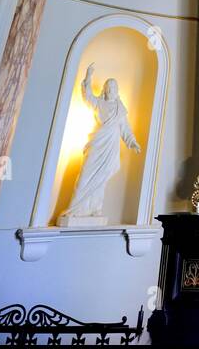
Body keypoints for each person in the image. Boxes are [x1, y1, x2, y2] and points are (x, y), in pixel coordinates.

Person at [58, 63, 141, 226]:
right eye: (108, 87)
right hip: (98, 142)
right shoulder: (99, 103)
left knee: (101, 179)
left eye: (113, 87)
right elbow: (87, 96)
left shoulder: (120, 110)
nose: (110, 90)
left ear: (117, 90)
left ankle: (95, 209)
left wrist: (133, 142)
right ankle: (75, 209)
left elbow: (126, 129)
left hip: (110, 147)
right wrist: (88, 77)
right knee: (85, 175)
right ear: (104, 89)